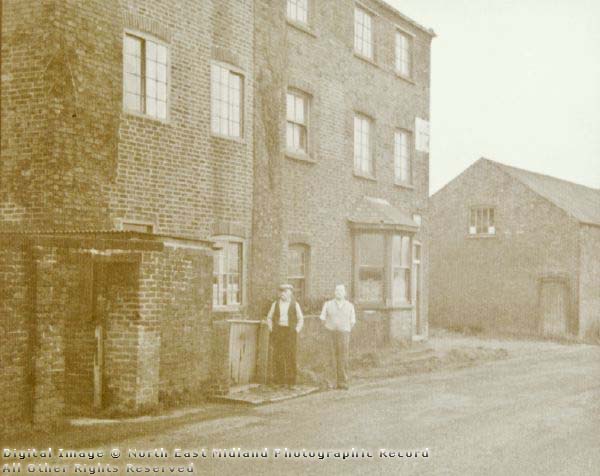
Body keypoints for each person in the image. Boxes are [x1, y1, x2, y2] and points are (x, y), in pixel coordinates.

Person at [266, 284, 304, 387]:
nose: (282, 294)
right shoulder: (275, 304)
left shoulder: (295, 304)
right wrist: (271, 328)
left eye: (285, 292)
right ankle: (280, 381)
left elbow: (301, 319)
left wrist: (296, 330)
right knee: (278, 355)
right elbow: (269, 317)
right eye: (281, 291)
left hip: (290, 332)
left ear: (290, 293)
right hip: (279, 332)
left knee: (291, 356)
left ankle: (291, 382)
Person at [319, 284, 356, 390]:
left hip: (344, 333)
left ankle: (342, 382)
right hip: (330, 333)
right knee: (330, 357)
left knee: (343, 357)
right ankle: (330, 382)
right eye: (336, 290)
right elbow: (322, 318)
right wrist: (329, 327)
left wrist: (344, 328)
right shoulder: (328, 304)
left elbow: (352, 321)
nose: (338, 292)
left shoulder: (350, 306)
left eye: (340, 291)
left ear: (345, 293)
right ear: (334, 292)